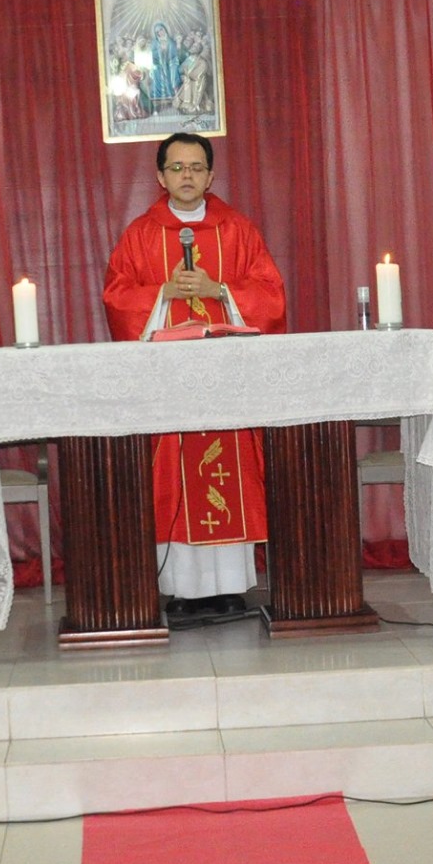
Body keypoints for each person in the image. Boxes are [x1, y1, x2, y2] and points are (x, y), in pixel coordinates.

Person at [102, 133, 287, 613]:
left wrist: (219, 289)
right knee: (172, 474)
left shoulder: (239, 230)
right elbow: (117, 297)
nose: (187, 176)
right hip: (169, 382)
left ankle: (229, 585)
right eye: (177, 167)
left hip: (227, 379)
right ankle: (181, 588)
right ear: (161, 176)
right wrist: (163, 293)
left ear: (210, 175)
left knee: (232, 474)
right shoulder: (141, 235)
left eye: (197, 167)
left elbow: (270, 295)